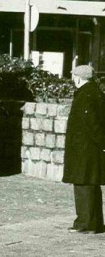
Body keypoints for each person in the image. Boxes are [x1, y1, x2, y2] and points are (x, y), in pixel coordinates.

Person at [63, 64, 105, 234]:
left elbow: (91, 123)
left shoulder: (84, 95)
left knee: (82, 184)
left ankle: (84, 223)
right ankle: (95, 223)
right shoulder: (96, 92)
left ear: (78, 77)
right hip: (92, 149)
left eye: (74, 75)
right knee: (92, 184)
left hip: (84, 148)